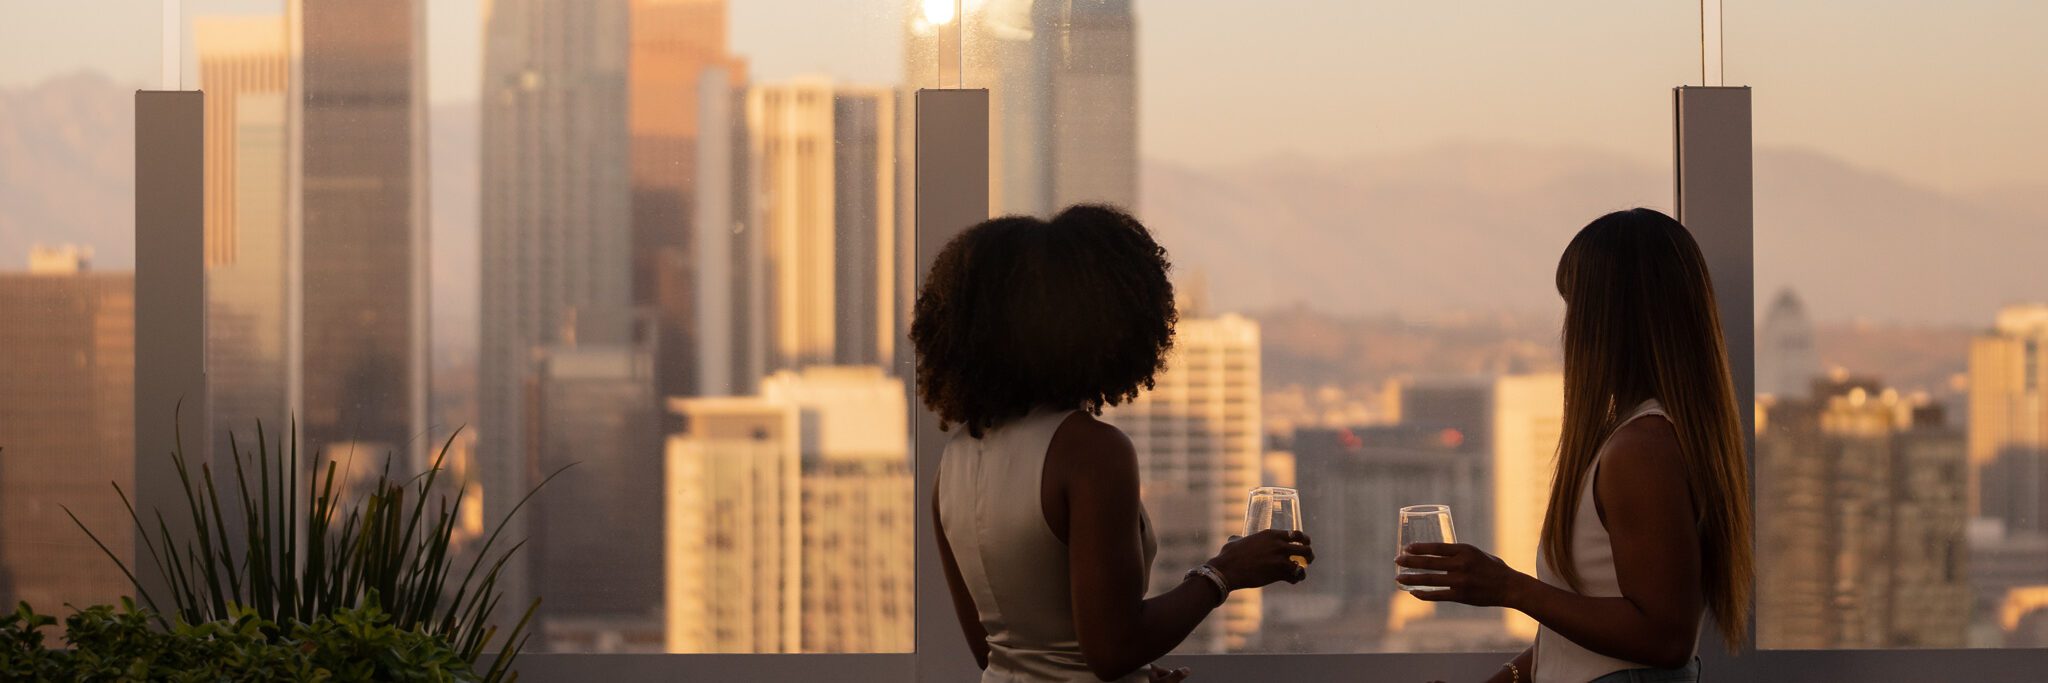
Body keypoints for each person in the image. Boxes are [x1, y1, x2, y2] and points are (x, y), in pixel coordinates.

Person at [915, 205, 1314, 682]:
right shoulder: (1091, 452)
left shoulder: (956, 459)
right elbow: (1111, 649)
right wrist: (1223, 573)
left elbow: (994, 651)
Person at [1396, 209, 1753, 683]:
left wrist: (1509, 587)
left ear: (1606, 320)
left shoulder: (1640, 450)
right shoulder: (1635, 437)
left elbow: (1663, 638)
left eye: (1575, 305)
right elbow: (1586, 635)